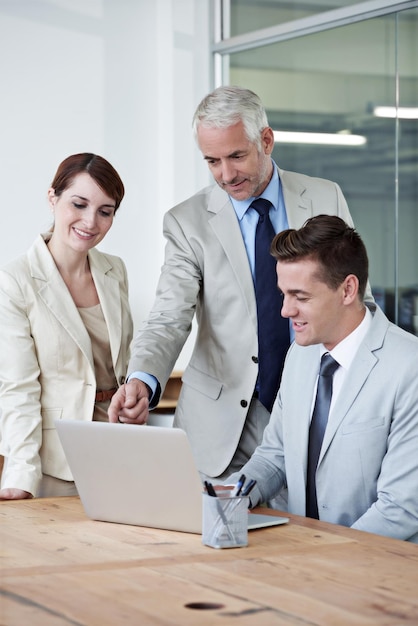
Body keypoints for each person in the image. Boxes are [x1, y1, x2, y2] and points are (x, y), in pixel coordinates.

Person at [108, 85, 369, 483]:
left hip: (313, 408)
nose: (226, 175)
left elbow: (357, 303)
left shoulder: (324, 197)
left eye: (236, 156)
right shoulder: (187, 221)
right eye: (212, 161)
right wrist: (143, 377)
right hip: (221, 426)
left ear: (266, 140)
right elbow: (168, 316)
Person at [225, 214, 418, 543]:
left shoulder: (408, 367)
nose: (286, 311)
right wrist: (229, 496)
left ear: (347, 290)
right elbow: (276, 455)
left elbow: (400, 507)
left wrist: (326, 556)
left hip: (378, 568)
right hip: (308, 560)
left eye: (300, 297)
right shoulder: (300, 354)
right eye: (284, 294)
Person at [0, 153, 133, 500]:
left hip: (118, 453)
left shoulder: (114, 270)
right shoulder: (14, 281)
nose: (91, 221)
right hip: (55, 463)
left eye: (105, 211)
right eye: (79, 204)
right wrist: (20, 474)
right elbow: (18, 389)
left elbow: (121, 364)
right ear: (52, 198)